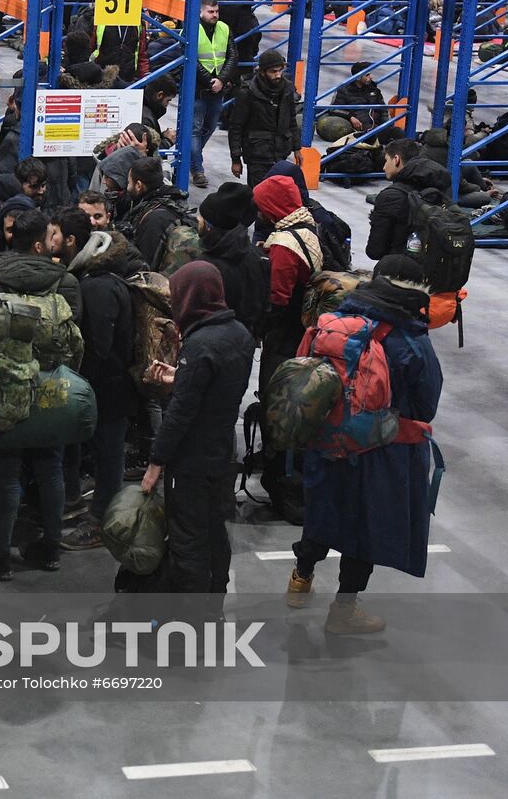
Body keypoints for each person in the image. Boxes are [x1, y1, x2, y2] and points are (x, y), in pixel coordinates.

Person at [287, 256, 443, 632]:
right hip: (380, 448)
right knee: (363, 530)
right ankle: (343, 612)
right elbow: (427, 404)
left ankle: (300, 577)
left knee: (323, 510)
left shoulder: (338, 320)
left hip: (327, 437)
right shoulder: (409, 337)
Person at [0, 209, 84, 579]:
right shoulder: (65, 280)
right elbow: (75, 335)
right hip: (53, 386)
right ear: (40, 243)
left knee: (6, 473)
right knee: (50, 467)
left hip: (6, 386)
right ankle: (50, 549)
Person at [140, 261, 255, 596]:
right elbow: (218, 383)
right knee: (216, 533)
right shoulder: (240, 334)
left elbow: (181, 412)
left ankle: (188, 625)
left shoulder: (200, 342)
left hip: (192, 460)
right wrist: (183, 376)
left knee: (187, 540)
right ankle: (213, 608)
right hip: (223, 451)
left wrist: (156, 460)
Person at [51, 208, 143, 549]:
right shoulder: (91, 276)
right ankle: (83, 504)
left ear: (72, 241)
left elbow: (99, 347)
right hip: (104, 386)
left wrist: (78, 381)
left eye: (55, 235)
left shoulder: (99, 285)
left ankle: (103, 521)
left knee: (108, 456)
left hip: (109, 388)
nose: (51, 242)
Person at [253, 173, 324, 523]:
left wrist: (255, 330)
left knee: (277, 400)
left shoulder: (283, 242)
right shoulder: (308, 225)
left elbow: (277, 298)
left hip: (284, 336)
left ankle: (281, 476)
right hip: (305, 331)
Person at [195, 182, 267, 333]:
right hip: (245, 341)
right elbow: (265, 307)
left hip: (209, 343)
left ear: (209, 226)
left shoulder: (205, 266)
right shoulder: (260, 258)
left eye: (201, 217)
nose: (197, 219)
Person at [366, 138, 453, 260]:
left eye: (386, 161)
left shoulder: (390, 196)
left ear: (396, 159)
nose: (384, 167)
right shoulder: (440, 187)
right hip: (438, 269)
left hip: (401, 269)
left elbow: (375, 250)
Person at [228, 50, 300, 189]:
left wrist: (297, 148)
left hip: (280, 152)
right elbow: (236, 127)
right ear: (262, 72)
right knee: (258, 195)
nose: (278, 75)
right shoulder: (247, 92)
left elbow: (291, 118)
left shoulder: (287, 89)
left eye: (280, 70)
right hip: (257, 153)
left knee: (276, 194)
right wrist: (236, 159)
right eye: (273, 71)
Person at [191, 0, 237, 189]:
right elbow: (190, 58)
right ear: (201, 12)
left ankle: (190, 158)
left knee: (209, 127)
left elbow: (232, 55)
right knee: (194, 129)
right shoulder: (192, 29)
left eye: (216, 11)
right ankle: (197, 169)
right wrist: (209, 80)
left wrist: (222, 80)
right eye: (211, 12)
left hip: (218, 88)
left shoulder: (224, 29)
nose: (215, 15)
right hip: (198, 88)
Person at [124, 155, 189, 272]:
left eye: (128, 182)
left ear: (138, 185)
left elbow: (146, 267)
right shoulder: (170, 198)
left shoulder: (153, 220)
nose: (127, 187)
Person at [330, 62, 389, 133]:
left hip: (376, 125)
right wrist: (350, 117)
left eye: (370, 74)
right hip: (360, 127)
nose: (371, 77)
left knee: (397, 132)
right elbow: (334, 109)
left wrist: (386, 125)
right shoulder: (344, 90)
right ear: (358, 77)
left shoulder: (373, 89)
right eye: (367, 75)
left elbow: (383, 109)